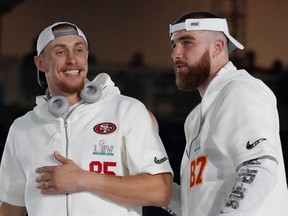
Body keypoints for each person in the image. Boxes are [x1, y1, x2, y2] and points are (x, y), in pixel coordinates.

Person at [0, 22, 173, 216]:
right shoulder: (23, 128)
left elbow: (161, 191)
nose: (72, 59)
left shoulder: (126, 110)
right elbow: (11, 208)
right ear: (40, 63)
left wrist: (82, 179)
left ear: (87, 56)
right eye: (60, 52)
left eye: (79, 50)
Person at [164, 11, 288, 216]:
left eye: (186, 42)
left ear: (218, 47)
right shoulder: (194, 118)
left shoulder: (240, 90)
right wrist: (149, 179)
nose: (175, 54)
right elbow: (191, 208)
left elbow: (260, 168)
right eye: (174, 45)